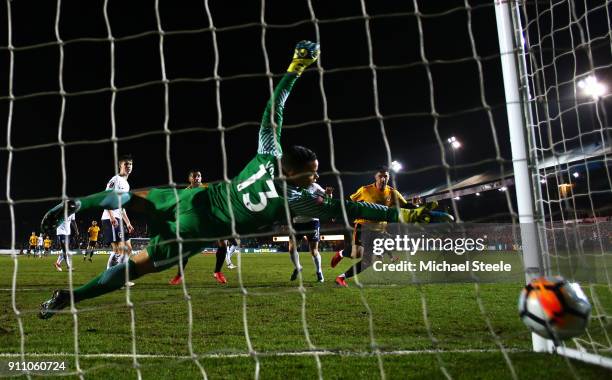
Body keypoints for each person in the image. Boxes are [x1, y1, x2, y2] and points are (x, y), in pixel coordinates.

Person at [39, 41, 442, 319]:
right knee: (135, 268)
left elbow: (273, 108)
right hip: (197, 229)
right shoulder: (298, 198)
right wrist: (412, 216)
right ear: (296, 174)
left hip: (194, 198)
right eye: (312, 172)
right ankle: (68, 297)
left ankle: (79, 203)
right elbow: (353, 206)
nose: (316, 176)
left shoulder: (268, 151)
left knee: (132, 197)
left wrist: (296, 67)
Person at [331, 166, 412, 287]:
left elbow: (406, 206)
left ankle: (341, 278)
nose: (383, 179)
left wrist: (418, 206)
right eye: (380, 176)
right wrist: (338, 213)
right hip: (363, 225)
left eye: (386, 176)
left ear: (389, 177)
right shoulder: (365, 190)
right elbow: (351, 202)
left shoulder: (392, 192)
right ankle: (341, 253)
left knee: (369, 261)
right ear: (375, 177)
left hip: (379, 230)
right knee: (356, 254)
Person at [288, 182, 333, 282]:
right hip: (297, 222)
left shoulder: (314, 186)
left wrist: (329, 193)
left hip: (312, 221)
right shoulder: (293, 186)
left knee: (313, 251)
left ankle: (319, 272)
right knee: (291, 249)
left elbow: (327, 198)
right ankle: (298, 267)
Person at [101, 154, 135, 272]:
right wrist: (111, 217)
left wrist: (128, 223)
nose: (129, 166)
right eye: (126, 164)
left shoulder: (127, 184)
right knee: (119, 250)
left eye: (130, 164)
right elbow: (106, 198)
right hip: (110, 218)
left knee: (128, 249)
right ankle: (110, 277)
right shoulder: (115, 180)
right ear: (120, 165)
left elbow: (122, 207)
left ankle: (119, 276)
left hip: (119, 218)